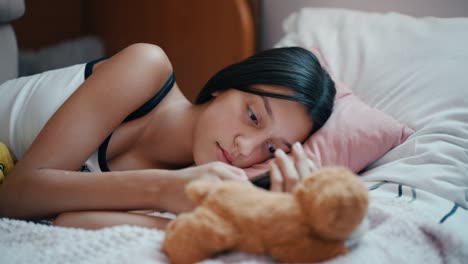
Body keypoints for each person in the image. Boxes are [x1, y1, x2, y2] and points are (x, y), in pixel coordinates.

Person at [0, 43, 336, 230]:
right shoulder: (146, 66)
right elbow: (15, 196)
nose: (245, 148)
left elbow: (71, 220)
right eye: (252, 116)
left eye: (272, 147)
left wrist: (214, 223)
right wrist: (164, 190)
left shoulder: (192, 182)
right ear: (224, 85)